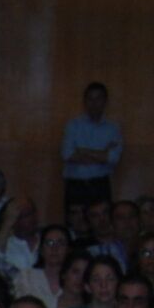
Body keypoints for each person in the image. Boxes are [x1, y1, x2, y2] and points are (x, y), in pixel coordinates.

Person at [60, 82, 123, 214]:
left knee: (103, 225)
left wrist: (82, 151)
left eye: (98, 98)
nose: (94, 103)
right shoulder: (73, 125)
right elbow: (67, 154)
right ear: (84, 101)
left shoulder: (113, 129)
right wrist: (102, 154)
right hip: (75, 185)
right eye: (90, 98)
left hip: (100, 184)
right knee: (75, 225)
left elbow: (113, 158)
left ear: (105, 101)